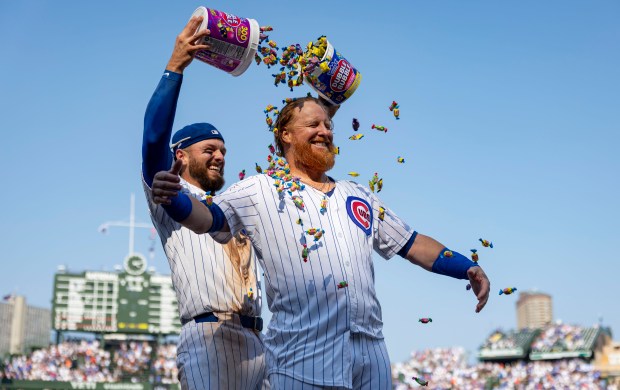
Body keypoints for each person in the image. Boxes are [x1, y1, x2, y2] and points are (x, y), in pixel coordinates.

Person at [151, 98, 491, 388]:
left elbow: (412, 243)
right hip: (303, 355)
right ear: (285, 135)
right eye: (313, 124)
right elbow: (208, 219)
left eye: (328, 125)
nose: (326, 131)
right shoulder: (259, 191)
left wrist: (466, 267)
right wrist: (174, 201)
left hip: (370, 351)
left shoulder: (357, 194)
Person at [141, 16, 267, 390]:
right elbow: (152, 140)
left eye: (224, 150)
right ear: (180, 154)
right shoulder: (168, 190)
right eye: (209, 149)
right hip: (209, 336)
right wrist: (176, 65)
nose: (219, 156)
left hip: (260, 339)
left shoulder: (232, 203)